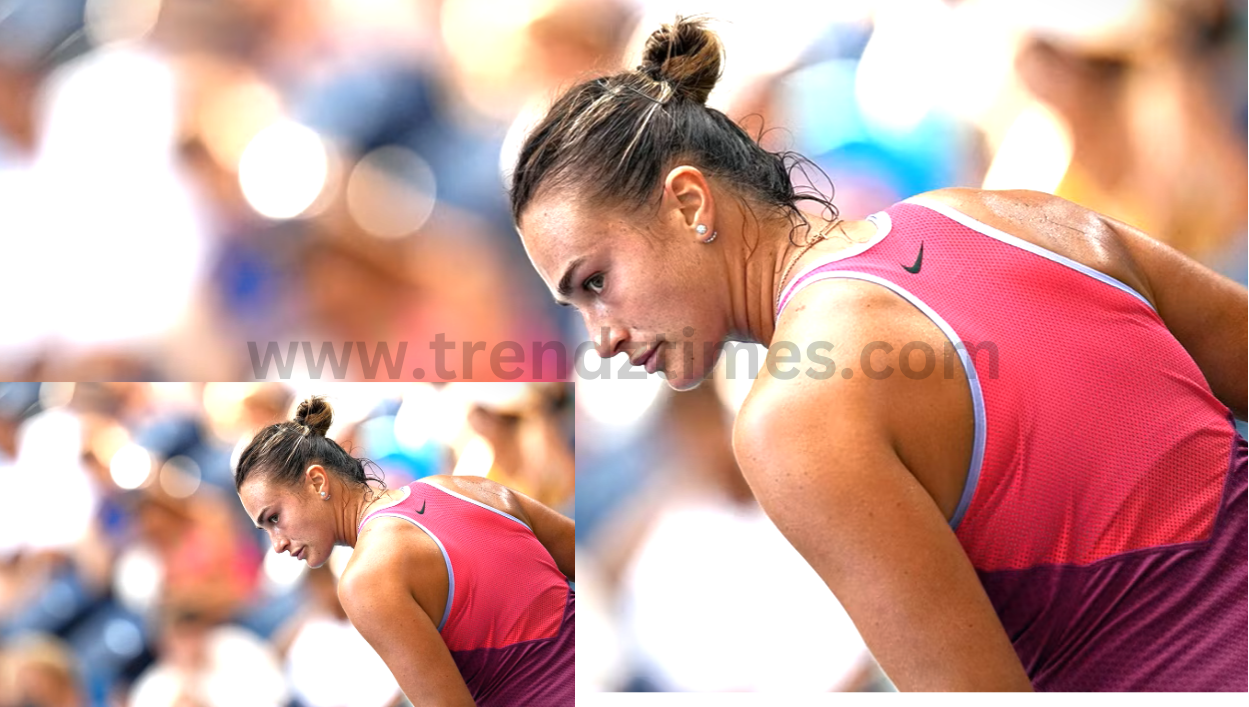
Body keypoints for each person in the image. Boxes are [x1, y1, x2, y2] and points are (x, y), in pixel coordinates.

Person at [510, 16, 1246, 692]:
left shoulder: (791, 419)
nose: (600, 335)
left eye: (596, 282)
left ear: (690, 203)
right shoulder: (1005, 214)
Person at [234, 397, 575, 705]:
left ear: (318, 481)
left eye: (274, 518)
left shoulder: (364, 580)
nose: (276, 544)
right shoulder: (463, 486)